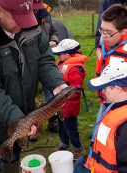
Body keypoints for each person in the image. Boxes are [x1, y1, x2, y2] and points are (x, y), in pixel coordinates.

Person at [0, 0, 67, 172]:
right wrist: (19, 120)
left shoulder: (30, 26)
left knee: (12, 158)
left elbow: (44, 57)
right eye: (18, 17)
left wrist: (56, 83)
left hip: (22, 116)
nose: (24, 25)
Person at [33, 0, 75, 133]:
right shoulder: (23, 15)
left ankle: (52, 122)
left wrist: (53, 40)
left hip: (46, 58)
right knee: (31, 96)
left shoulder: (45, 13)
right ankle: (32, 130)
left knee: (49, 94)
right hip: (31, 62)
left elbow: (54, 30)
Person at [52, 39, 88, 160]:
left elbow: (75, 90)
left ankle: (77, 148)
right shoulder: (63, 63)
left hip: (69, 106)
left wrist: (64, 101)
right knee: (61, 126)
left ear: (67, 55)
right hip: (59, 104)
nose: (58, 56)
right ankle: (64, 143)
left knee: (70, 128)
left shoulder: (75, 68)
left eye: (59, 54)